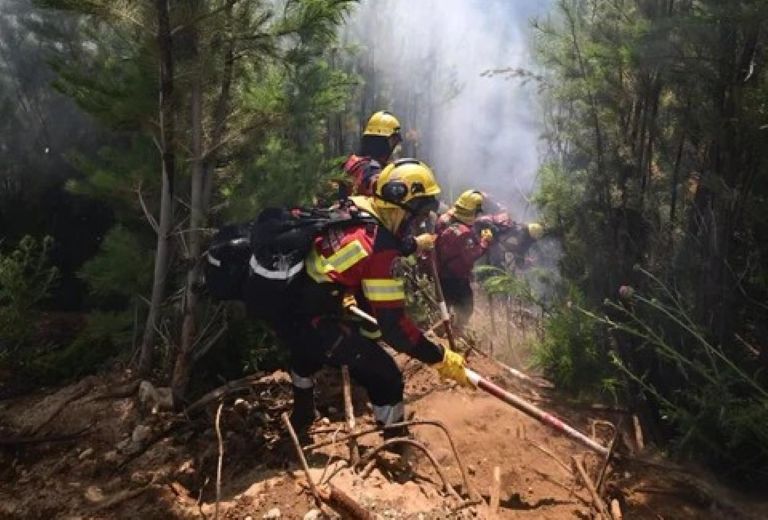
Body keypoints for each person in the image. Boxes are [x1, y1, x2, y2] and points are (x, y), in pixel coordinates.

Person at [250, 159, 471, 439]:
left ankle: (303, 414)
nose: (416, 223)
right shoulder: (380, 251)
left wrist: (411, 245)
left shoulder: (358, 207)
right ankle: (395, 441)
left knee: (305, 355)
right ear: (401, 206)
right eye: (418, 215)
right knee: (386, 374)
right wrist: (440, 359)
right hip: (311, 319)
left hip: (292, 304)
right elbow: (395, 329)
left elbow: (352, 251)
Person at [433, 190, 494, 331]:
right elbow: (470, 256)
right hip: (456, 278)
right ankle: (456, 331)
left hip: (440, 272)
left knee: (444, 306)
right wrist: (484, 242)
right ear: (473, 211)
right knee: (466, 308)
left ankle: (443, 330)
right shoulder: (464, 232)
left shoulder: (443, 219)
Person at [339, 110, 403, 198]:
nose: (395, 146)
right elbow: (374, 182)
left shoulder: (354, 162)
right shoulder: (371, 168)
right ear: (382, 142)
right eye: (393, 141)